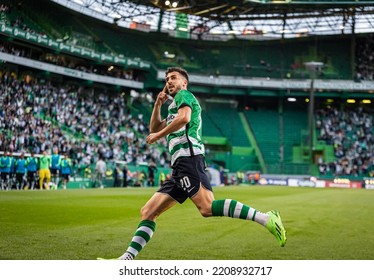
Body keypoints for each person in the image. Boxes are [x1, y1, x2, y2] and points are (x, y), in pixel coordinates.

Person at [98, 67, 286, 260]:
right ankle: (126, 260)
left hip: (189, 158)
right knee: (148, 211)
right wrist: (157, 104)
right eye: (167, 79)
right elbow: (154, 126)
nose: (169, 81)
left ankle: (266, 218)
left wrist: (157, 136)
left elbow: (184, 119)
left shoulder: (184, 95)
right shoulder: (173, 107)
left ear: (184, 83)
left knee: (207, 207)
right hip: (179, 167)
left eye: (173, 78)